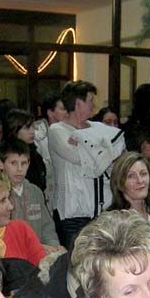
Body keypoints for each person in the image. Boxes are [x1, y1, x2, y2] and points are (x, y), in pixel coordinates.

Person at [49, 80, 125, 247]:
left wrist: (85, 143)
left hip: (102, 211)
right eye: (90, 100)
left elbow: (120, 151)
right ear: (78, 103)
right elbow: (83, 161)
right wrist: (105, 149)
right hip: (72, 215)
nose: (94, 105)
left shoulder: (98, 127)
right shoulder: (57, 131)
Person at [0, 138, 60, 251]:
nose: (19, 169)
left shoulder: (35, 191)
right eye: (13, 163)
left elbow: (47, 227)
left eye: (24, 163)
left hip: (40, 254)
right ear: (1, 164)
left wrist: (54, 247)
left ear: (29, 163)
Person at [33, 92, 66, 211]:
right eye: (62, 109)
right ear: (50, 112)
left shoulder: (70, 131)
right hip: (46, 193)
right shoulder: (37, 135)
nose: (67, 112)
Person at [4, 108, 47, 194]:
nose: (32, 131)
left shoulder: (33, 151)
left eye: (32, 126)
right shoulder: (6, 156)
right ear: (14, 130)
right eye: (27, 128)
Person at [107, 151, 150, 222]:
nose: (140, 181)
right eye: (131, 176)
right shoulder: (113, 222)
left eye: (143, 174)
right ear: (119, 182)